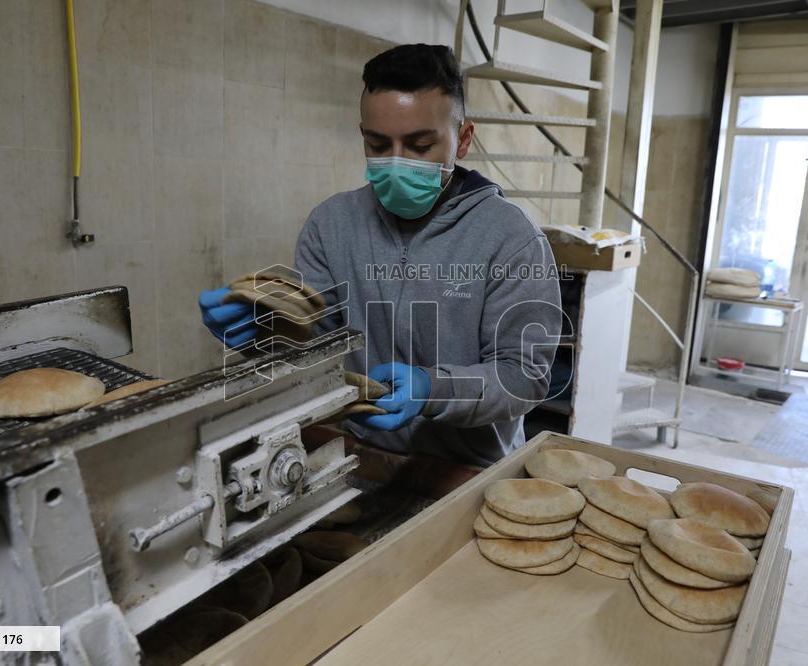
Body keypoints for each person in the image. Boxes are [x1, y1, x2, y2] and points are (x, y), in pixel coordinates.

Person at [200, 44, 562, 467]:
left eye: (420, 145)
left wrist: (432, 390)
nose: (396, 163)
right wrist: (263, 331)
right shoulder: (332, 224)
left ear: (462, 140)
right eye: (377, 145)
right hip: (364, 457)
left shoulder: (511, 238)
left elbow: (524, 376)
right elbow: (315, 337)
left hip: (468, 470)